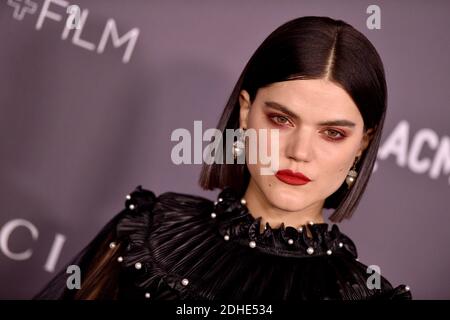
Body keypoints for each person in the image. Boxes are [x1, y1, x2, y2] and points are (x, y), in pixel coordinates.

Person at [34, 16, 412, 300]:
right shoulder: (145, 237)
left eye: (332, 133)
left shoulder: (365, 295)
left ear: (364, 142)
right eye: (281, 119)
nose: (300, 152)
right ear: (246, 113)